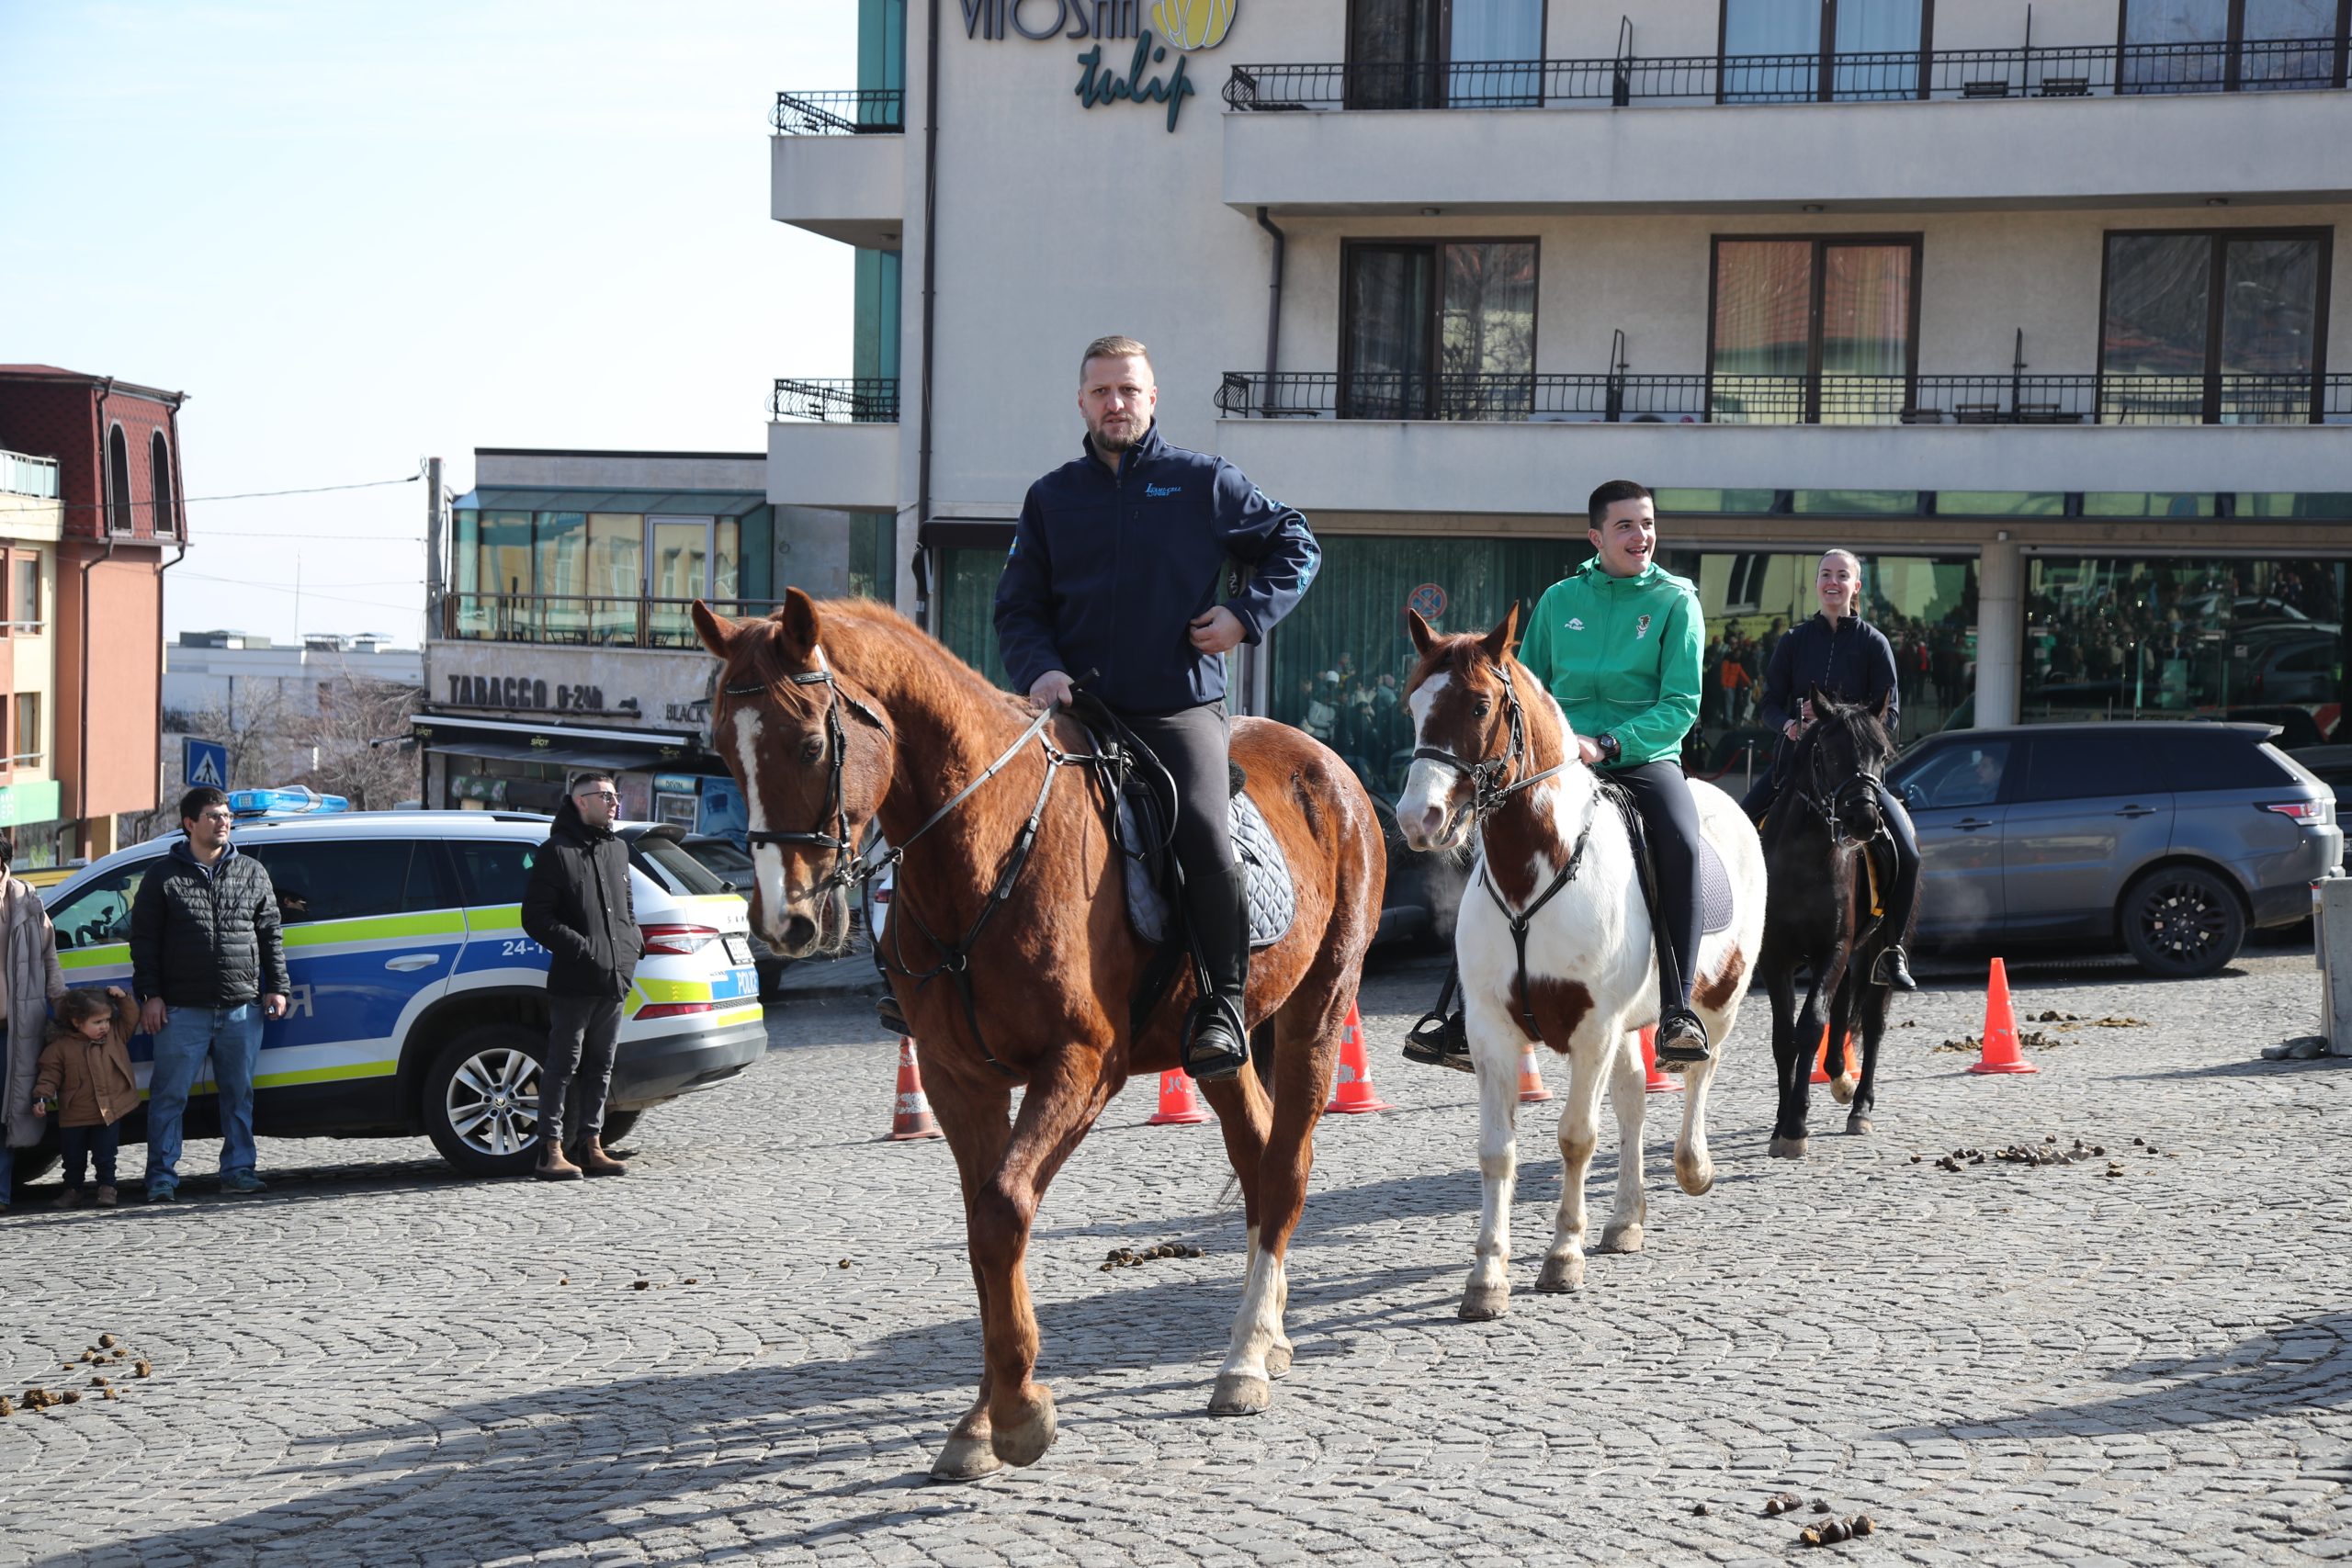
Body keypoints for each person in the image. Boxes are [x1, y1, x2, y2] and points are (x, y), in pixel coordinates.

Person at [995, 333, 1320, 1082]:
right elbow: (1018, 608)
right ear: (1081, 401)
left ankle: (1221, 1002)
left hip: (1177, 710)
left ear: (1152, 398)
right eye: (1102, 391)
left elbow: (1295, 544)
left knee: (1205, 833)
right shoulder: (1051, 497)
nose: (1116, 403)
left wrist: (1245, 614)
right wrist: (1040, 669)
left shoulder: (1203, 480)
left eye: (1129, 390)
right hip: (1074, 708)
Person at [1741, 548, 1920, 990]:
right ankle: (1736, 937)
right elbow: (1767, 704)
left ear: (1856, 586)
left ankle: (1891, 951)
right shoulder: (1794, 641)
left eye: (1843, 575)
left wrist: (1844, 722)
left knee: (1908, 852)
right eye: (1826, 575)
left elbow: (1890, 716)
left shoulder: (1874, 644)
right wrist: (1788, 724)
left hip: (1853, 774)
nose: (1833, 582)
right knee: (1738, 827)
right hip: (1795, 769)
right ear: (1816, 584)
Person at [131, 787, 290, 1202]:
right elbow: (144, 941)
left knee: (239, 1094)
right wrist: (150, 995)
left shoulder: (252, 872)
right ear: (189, 824)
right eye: (213, 815)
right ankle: (162, 1176)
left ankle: (239, 1170)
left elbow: (271, 934)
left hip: (241, 1006)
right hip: (182, 1008)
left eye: (225, 815)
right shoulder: (162, 877)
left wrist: (277, 987)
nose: (223, 822)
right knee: (169, 1096)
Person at [522, 772, 642, 1179]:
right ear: (580, 802)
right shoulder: (555, 852)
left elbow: (626, 907)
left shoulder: (617, 849)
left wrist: (630, 948)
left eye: (615, 795)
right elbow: (536, 918)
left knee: (601, 1065)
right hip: (575, 980)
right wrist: (583, 949)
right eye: (605, 796)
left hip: (615, 978)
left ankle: (591, 1145)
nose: (614, 802)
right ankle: (550, 1150)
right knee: (562, 1066)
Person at [0, 830, 69, 1214]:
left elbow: (49, 958)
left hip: (17, 1026)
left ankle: (2, 1191)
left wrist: (61, 1004)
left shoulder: (27, 901)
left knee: (9, 1111)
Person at [30, 987, 140, 1209]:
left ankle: (107, 1187)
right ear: (77, 1022)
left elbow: (131, 1017)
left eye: (107, 1020)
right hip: (75, 1114)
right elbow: (49, 1074)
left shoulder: (115, 1035)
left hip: (108, 1111)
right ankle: (73, 1189)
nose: (105, 1026)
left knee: (106, 1154)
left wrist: (123, 998)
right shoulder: (60, 1047)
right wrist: (41, 1097)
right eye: (98, 1022)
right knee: (72, 1157)